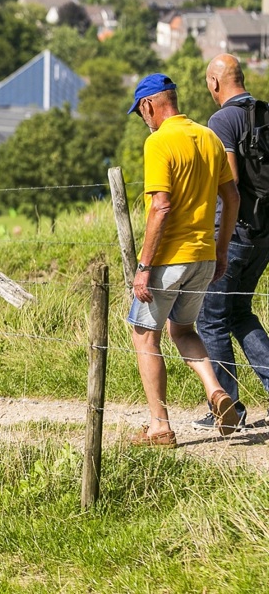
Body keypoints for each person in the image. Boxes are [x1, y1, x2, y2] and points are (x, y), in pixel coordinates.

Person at [126, 73, 241, 446]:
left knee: (144, 335)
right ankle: (216, 391)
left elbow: (160, 206)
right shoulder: (208, 137)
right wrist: (220, 249)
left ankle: (159, 425)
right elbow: (232, 197)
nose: (143, 120)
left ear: (149, 105)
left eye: (140, 112)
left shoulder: (159, 141)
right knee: (184, 330)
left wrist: (144, 267)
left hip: (169, 259)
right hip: (203, 256)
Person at [193, 53, 269, 432]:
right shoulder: (265, 113)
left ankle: (229, 411)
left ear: (214, 82)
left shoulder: (222, 120)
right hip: (264, 235)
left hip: (235, 233)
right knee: (240, 314)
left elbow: (230, 181)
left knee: (211, 320)